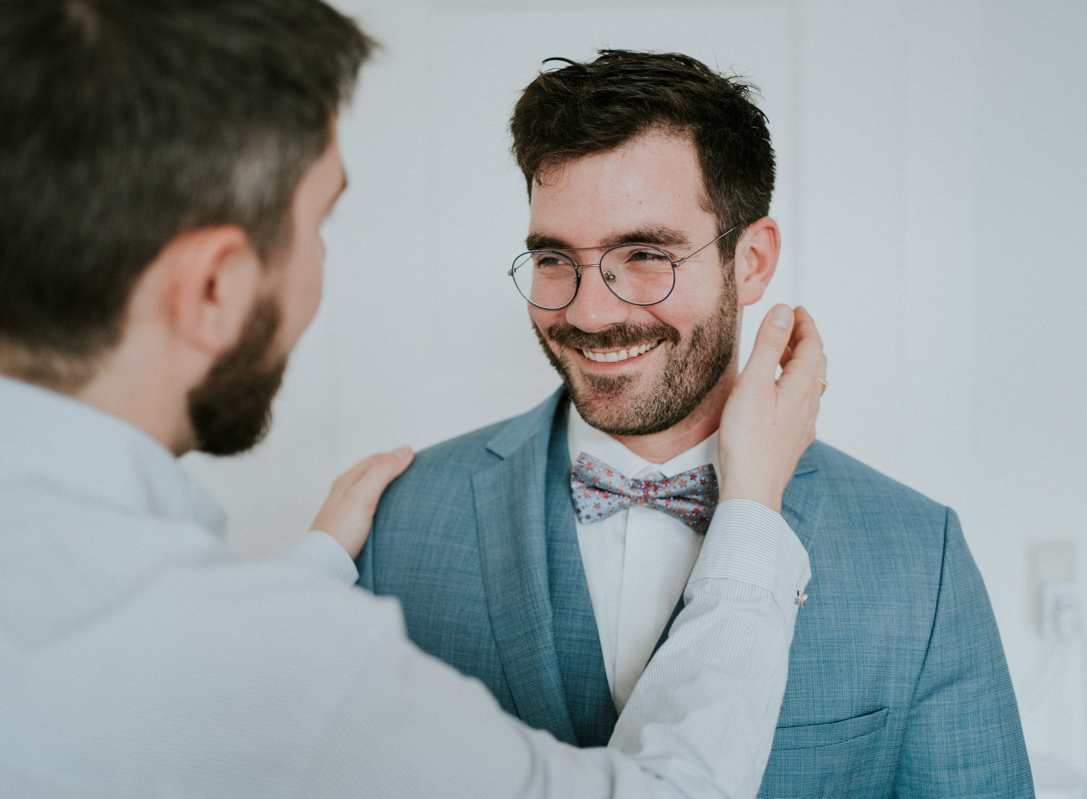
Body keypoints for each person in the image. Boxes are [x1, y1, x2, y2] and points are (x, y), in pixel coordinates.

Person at [0, 3, 828, 797]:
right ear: (215, 287)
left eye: (642, 257)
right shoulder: (290, 663)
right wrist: (747, 523)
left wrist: (298, 575)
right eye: (319, 219)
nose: (590, 304)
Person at [359, 50, 1035, 798]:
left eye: (645, 253)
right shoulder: (398, 524)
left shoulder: (919, 557)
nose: (589, 312)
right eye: (555, 258)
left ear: (751, 261)